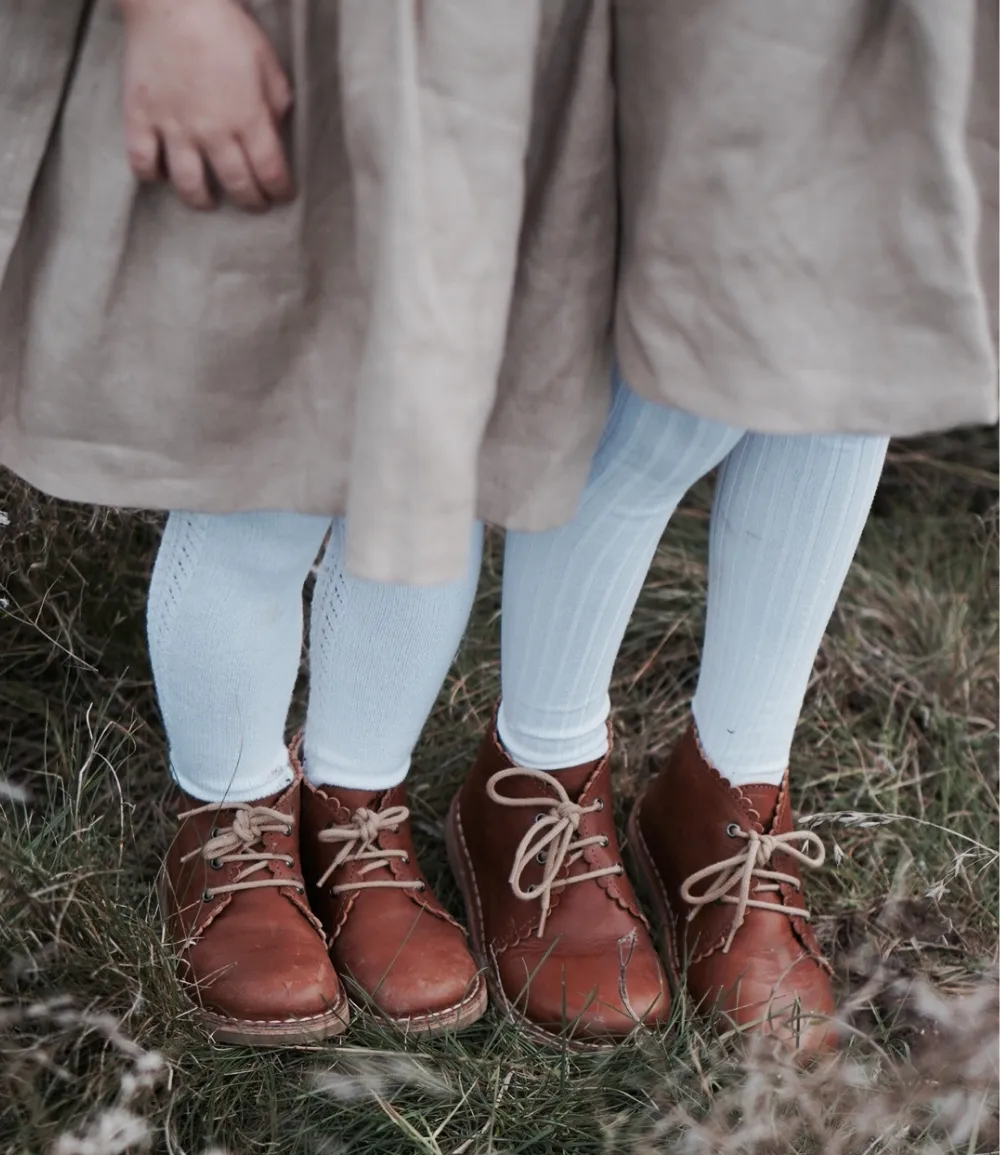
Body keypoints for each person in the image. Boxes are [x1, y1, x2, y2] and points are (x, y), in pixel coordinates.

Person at [2, 1, 995, 1053]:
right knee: (273, 437)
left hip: (490, 59)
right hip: (327, 41)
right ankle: (231, 814)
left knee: (438, 453)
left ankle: (358, 807)